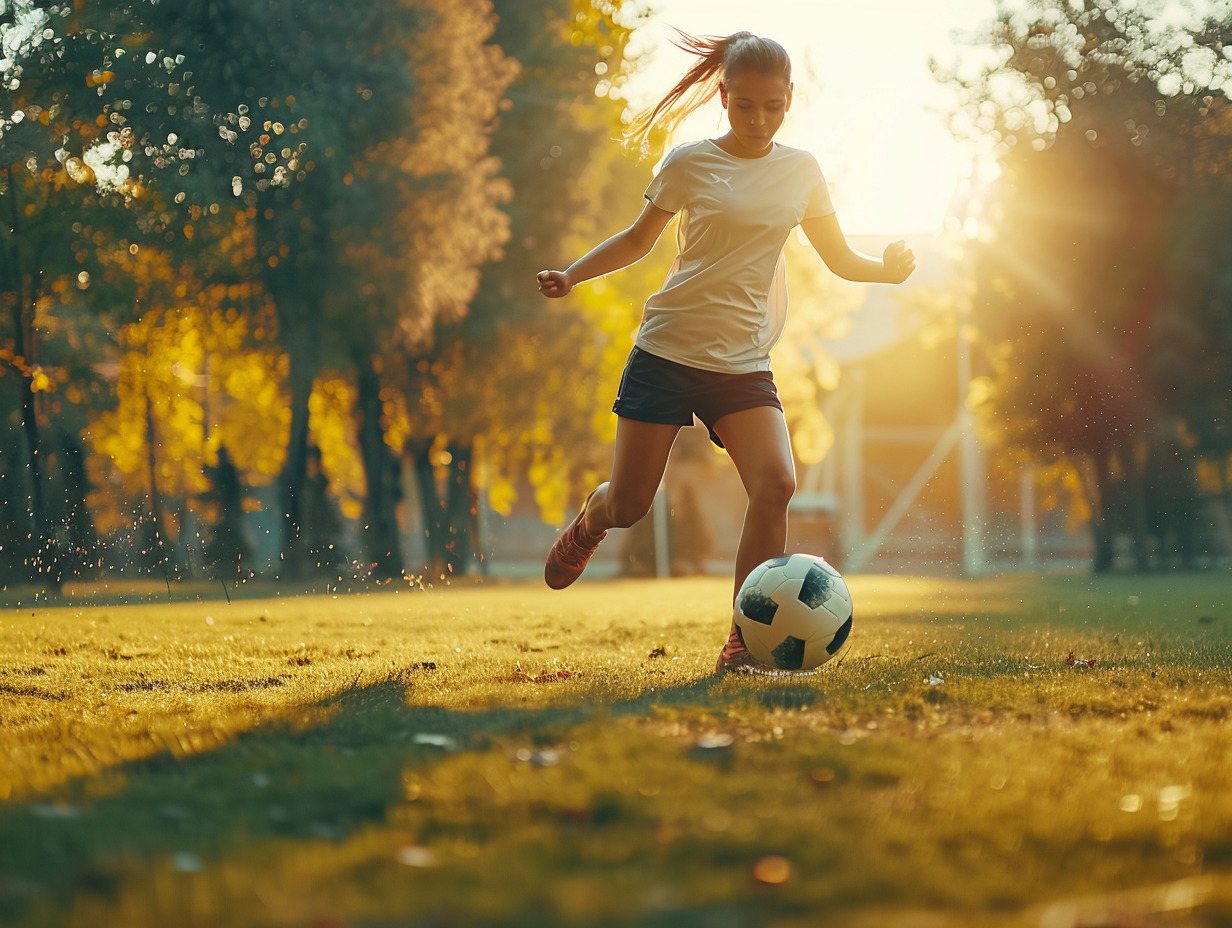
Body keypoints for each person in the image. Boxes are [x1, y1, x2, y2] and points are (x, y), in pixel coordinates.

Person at [536, 29, 915, 674]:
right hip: (666, 353)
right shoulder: (688, 162)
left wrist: (886, 268)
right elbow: (636, 241)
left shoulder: (802, 172)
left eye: (772, 106)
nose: (759, 119)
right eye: (745, 106)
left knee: (777, 483)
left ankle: (746, 636)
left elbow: (842, 259)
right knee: (631, 506)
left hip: (741, 364)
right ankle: (590, 522)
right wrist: (573, 275)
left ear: (790, 99)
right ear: (724, 95)